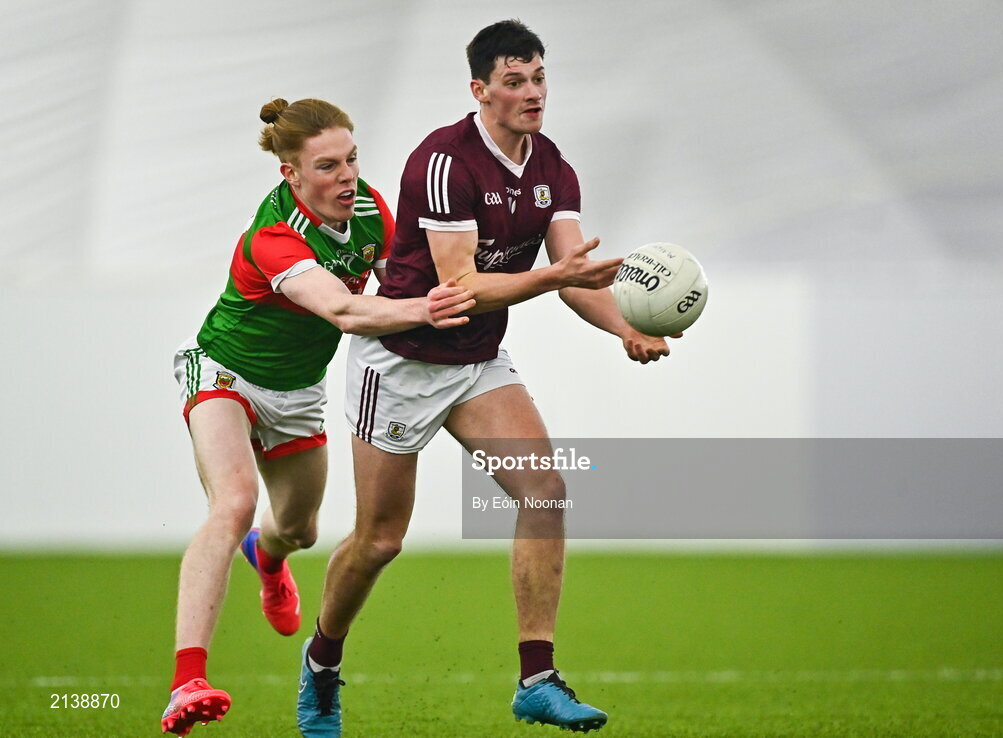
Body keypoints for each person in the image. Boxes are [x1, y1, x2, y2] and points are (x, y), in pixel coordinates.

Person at [296, 20, 680, 736]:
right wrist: (556, 275)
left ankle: (537, 677)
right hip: (403, 359)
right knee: (380, 541)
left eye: (539, 78)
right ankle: (321, 664)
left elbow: (574, 275)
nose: (532, 93)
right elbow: (461, 288)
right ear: (480, 90)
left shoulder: (553, 167)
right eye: (514, 81)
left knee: (545, 489)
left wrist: (626, 324)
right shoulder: (443, 160)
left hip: (475, 366)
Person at [160, 98, 475, 737]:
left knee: (300, 531)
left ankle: (268, 560)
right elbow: (348, 311)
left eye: (352, 159)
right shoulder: (272, 239)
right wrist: (429, 311)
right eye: (327, 166)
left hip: (299, 393)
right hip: (226, 371)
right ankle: (187, 679)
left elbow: (398, 287)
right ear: (291, 176)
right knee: (233, 503)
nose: (347, 176)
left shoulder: (370, 211)